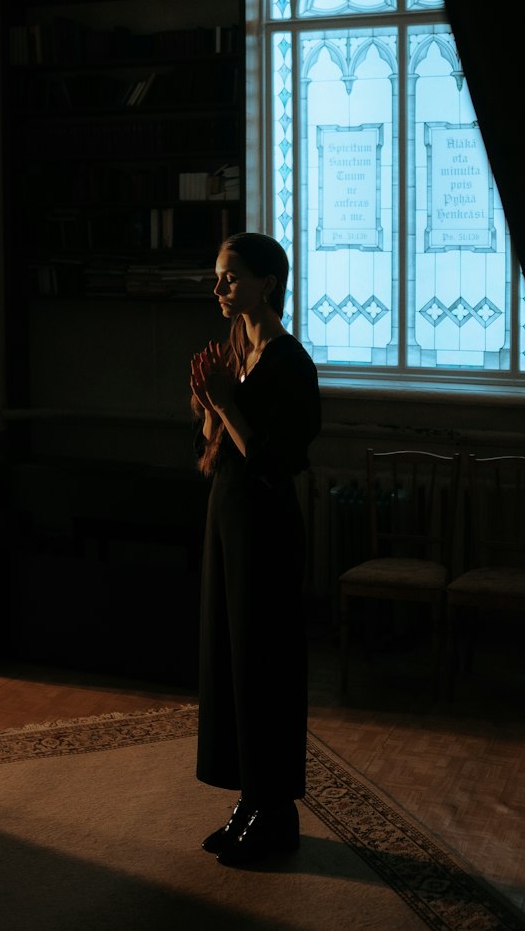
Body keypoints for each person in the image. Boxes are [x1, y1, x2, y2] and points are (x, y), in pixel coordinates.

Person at [189, 231, 321, 867]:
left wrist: (226, 402)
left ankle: (275, 813)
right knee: (232, 662)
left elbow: (273, 461)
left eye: (230, 277)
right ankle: (248, 799)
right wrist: (212, 401)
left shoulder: (289, 362)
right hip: (229, 525)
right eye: (218, 278)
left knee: (263, 665)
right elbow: (213, 447)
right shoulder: (237, 353)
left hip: (264, 532)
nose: (219, 288)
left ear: (267, 284)